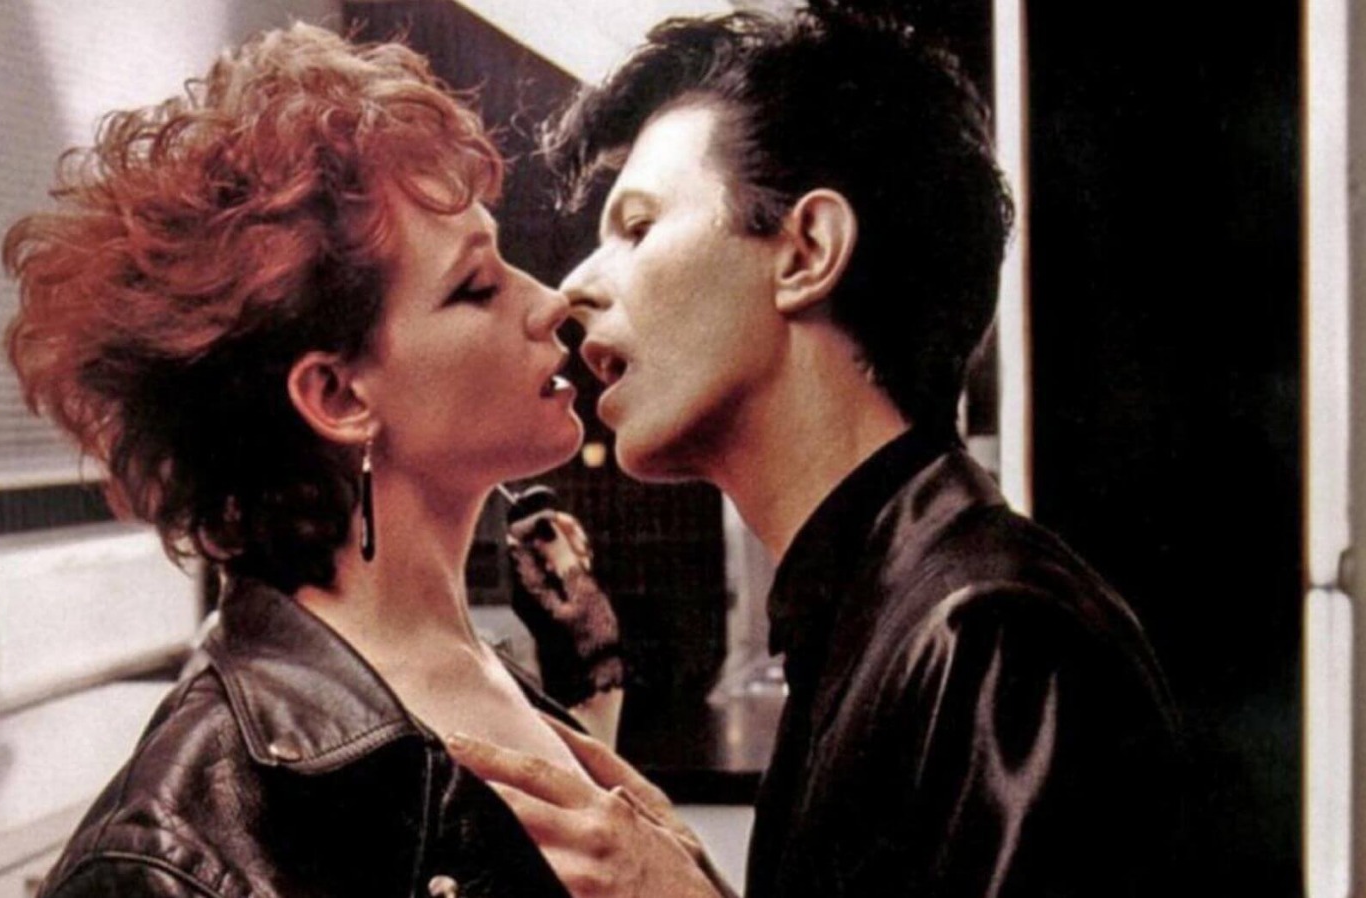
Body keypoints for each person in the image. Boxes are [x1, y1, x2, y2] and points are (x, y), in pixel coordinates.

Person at [446, 4, 1185, 897]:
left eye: (637, 229)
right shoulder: (867, 620)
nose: (572, 289)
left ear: (807, 251)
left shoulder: (994, 636)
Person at [3, 21, 623, 898]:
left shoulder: (489, 677)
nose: (549, 301)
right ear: (337, 396)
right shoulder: (173, 850)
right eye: (477, 286)